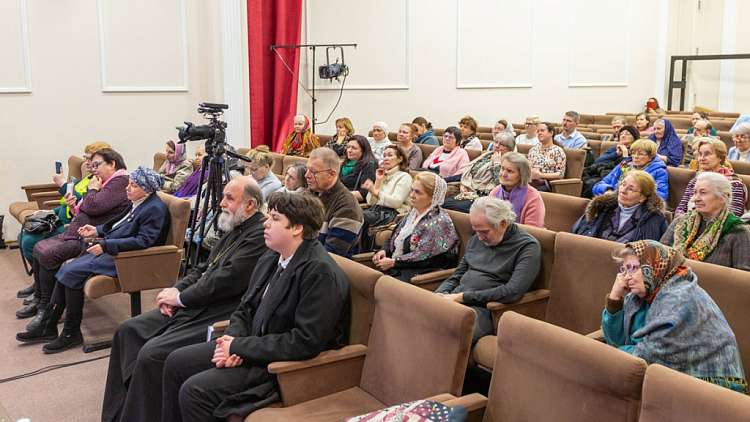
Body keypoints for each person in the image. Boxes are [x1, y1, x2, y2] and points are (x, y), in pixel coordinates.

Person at [161, 192, 350, 422]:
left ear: (297, 228)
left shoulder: (319, 272)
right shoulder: (272, 255)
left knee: (195, 391)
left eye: (275, 218)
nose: (265, 223)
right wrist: (230, 343)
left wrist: (240, 347)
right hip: (251, 345)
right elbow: (245, 307)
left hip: (280, 365)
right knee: (175, 362)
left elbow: (304, 341)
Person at [99, 176, 268, 422]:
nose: (221, 203)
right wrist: (174, 292)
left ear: (250, 205)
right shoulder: (235, 225)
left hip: (220, 309)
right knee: (127, 330)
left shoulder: (257, 237)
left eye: (229, 198)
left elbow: (224, 281)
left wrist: (181, 298)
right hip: (195, 300)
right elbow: (203, 268)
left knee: (151, 354)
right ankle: (117, 414)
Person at [16, 167, 171, 354]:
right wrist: (96, 231)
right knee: (66, 268)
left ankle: (70, 333)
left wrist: (106, 245)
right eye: (129, 183)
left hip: (128, 259)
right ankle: (49, 325)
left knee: (71, 271)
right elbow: (117, 224)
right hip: (113, 250)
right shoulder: (137, 201)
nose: (127, 188)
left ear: (147, 189)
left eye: (134, 185)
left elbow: (144, 241)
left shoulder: (154, 208)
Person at [602, 240, 746, 393]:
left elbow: (646, 356)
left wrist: (608, 353)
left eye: (633, 268)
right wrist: (615, 297)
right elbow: (615, 340)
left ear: (654, 266)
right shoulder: (641, 295)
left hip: (714, 387)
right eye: (624, 269)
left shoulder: (678, 299)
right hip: (674, 378)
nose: (626, 276)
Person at [16, 149, 130, 321]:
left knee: (47, 252)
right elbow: (87, 209)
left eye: (97, 165)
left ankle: (46, 308)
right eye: (91, 166)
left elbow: (92, 207)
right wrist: (73, 206)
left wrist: (91, 190)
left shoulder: (119, 182)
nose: (93, 169)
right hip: (78, 231)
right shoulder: (105, 182)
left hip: (92, 239)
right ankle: (40, 299)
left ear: (112, 163)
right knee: (39, 247)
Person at [435, 197, 541, 344]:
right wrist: (439, 295)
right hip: (456, 299)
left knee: (446, 332)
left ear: (503, 223)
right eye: (476, 231)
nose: (479, 237)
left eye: (484, 232)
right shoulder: (478, 237)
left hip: (486, 309)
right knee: (419, 318)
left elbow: (512, 291)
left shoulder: (527, 247)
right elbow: (458, 274)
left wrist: (463, 297)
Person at [17, 141, 111, 269]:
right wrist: (49, 212)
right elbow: (67, 203)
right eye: (85, 158)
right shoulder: (88, 178)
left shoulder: (100, 182)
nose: (86, 162)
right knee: (22, 236)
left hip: (73, 225)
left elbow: (86, 205)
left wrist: (62, 183)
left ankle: (49, 276)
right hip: (61, 219)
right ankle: (39, 278)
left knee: (29, 242)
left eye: (89, 158)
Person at [373, 172, 459, 281]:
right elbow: (395, 237)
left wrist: (395, 262)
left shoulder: (439, 221)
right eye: (412, 190)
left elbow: (427, 258)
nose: (412, 195)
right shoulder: (412, 213)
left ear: (432, 197)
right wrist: (384, 250)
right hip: (399, 266)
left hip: (420, 273)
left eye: (418, 192)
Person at [661, 172, 750, 271]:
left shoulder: (738, 231)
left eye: (703, 193)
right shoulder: (680, 222)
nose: (696, 199)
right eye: (695, 192)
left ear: (724, 197)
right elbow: (660, 256)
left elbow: (743, 277)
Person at [573, 170, 668, 242]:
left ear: (642, 197)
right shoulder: (601, 206)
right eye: (623, 185)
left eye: (631, 189)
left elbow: (649, 254)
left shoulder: (654, 219)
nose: (623, 191)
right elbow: (577, 234)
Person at [305, 147, 364, 257]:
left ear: (331, 174)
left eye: (313, 172)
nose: (306, 175)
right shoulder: (308, 194)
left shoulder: (347, 207)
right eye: (307, 169)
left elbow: (330, 255)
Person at [443, 131, 514, 213]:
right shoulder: (487, 155)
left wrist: (497, 164)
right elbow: (468, 172)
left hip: (482, 194)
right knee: (443, 202)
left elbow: (500, 184)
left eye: (501, 144)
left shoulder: (509, 163)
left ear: (509, 149)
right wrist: (463, 184)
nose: (497, 146)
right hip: (468, 188)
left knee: (451, 206)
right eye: (495, 142)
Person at [675, 138, 746, 218]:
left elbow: (734, 215)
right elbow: (680, 209)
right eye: (700, 154)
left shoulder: (734, 184)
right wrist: (686, 222)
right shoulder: (695, 180)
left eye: (707, 154)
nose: (701, 158)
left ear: (720, 157)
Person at [360, 145, 413, 251]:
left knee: (359, 216)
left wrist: (376, 191)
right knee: (351, 213)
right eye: (384, 156)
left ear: (400, 158)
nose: (386, 158)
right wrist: (378, 181)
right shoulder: (383, 175)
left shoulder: (404, 177)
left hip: (393, 213)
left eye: (390, 155)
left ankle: (360, 251)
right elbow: (371, 202)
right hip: (377, 210)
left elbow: (396, 202)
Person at [593, 139, 669, 201]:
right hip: (613, 201)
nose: (635, 157)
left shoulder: (659, 171)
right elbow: (598, 185)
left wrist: (635, 197)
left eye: (640, 154)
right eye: (633, 153)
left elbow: (661, 196)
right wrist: (608, 190)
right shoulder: (624, 165)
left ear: (651, 157)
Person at [488, 152, 546, 227]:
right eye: (502, 169)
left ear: (522, 175)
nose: (503, 174)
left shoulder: (533, 198)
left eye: (509, 171)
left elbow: (532, 232)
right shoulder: (495, 192)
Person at [582, 126, 640, 198]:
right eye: (621, 134)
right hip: (603, 173)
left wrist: (625, 155)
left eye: (627, 134)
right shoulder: (614, 149)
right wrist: (616, 154)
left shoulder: (636, 152)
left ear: (634, 137)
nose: (623, 136)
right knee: (585, 180)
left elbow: (625, 172)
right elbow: (598, 161)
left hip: (617, 178)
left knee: (592, 184)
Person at [528, 122, 566, 192]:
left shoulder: (558, 151)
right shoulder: (533, 149)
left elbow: (560, 174)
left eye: (542, 130)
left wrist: (541, 175)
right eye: (538, 131)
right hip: (530, 181)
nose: (539, 133)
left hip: (547, 183)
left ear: (551, 133)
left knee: (529, 191)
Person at [340, 135, 377, 202]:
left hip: (354, 203)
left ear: (363, 151)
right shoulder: (345, 163)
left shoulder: (369, 165)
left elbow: (363, 194)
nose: (349, 150)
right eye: (348, 147)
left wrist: (338, 195)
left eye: (354, 148)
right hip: (341, 199)